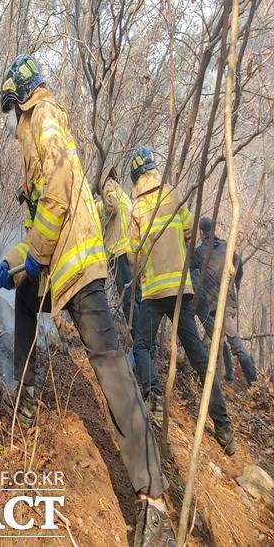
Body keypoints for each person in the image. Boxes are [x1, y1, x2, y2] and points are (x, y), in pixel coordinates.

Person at [0, 54, 176, 546]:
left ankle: (154, 501)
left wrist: (34, 255)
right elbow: (37, 221)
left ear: (21, 98)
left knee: (112, 368)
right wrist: (13, 261)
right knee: (27, 306)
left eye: (13, 110)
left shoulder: (46, 120)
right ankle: (26, 402)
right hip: (63, 267)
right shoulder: (41, 131)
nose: (14, 120)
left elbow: (55, 200)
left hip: (77, 268)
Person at [127, 146, 236, 456]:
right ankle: (224, 426)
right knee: (200, 358)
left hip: (155, 294)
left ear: (135, 178)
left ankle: (155, 398)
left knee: (142, 346)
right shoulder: (172, 195)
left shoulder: (136, 210)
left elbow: (134, 258)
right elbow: (190, 232)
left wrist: (144, 275)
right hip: (181, 290)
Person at [191, 216, 258, 385]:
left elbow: (190, 270)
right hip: (228, 303)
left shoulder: (199, 252)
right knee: (219, 338)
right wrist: (237, 281)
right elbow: (239, 263)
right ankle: (229, 376)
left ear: (201, 232)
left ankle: (254, 381)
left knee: (234, 342)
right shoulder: (226, 247)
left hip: (218, 306)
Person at [97, 165, 141, 337]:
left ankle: (139, 342)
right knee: (136, 297)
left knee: (127, 299)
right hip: (131, 251)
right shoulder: (122, 193)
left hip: (119, 252)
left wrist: (96, 208)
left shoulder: (109, 186)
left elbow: (111, 207)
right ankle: (147, 341)